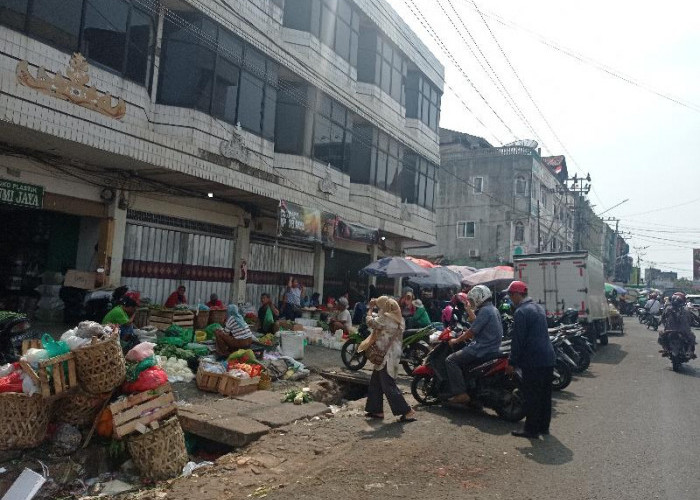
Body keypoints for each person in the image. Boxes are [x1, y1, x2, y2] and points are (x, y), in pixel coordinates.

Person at [505, 281, 555, 438]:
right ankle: (543, 427)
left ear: (519, 295)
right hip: (548, 357)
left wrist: (512, 362)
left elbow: (518, 340)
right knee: (545, 396)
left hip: (534, 360)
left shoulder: (521, 312)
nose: (510, 299)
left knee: (532, 396)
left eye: (512, 295)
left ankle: (531, 430)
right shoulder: (538, 307)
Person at [360, 296, 417, 422]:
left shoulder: (386, 319)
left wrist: (370, 308)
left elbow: (370, 322)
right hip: (391, 354)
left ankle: (407, 411)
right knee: (375, 382)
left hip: (387, 356)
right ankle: (376, 410)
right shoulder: (400, 319)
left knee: (388, 385)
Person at [445, 285, 503, 404]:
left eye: (472, 300)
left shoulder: (485, 311)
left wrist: (456, 341)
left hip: (481, 349)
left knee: (450, 360)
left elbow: (471, 332)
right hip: (491, 348)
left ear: (479, 297)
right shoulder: (492, 309)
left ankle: (461, 393)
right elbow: (477, 323)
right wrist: (469, 311)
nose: (471, 302)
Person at [659, 292, 697, 358]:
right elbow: (691, 320)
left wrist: (666, 325)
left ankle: (665, 349)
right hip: (684, 332)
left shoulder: (668, 308)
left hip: (669, 330)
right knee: (692, 338)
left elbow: (663, 319)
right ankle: (689, 351)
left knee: (661, 336)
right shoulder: (687, 310)